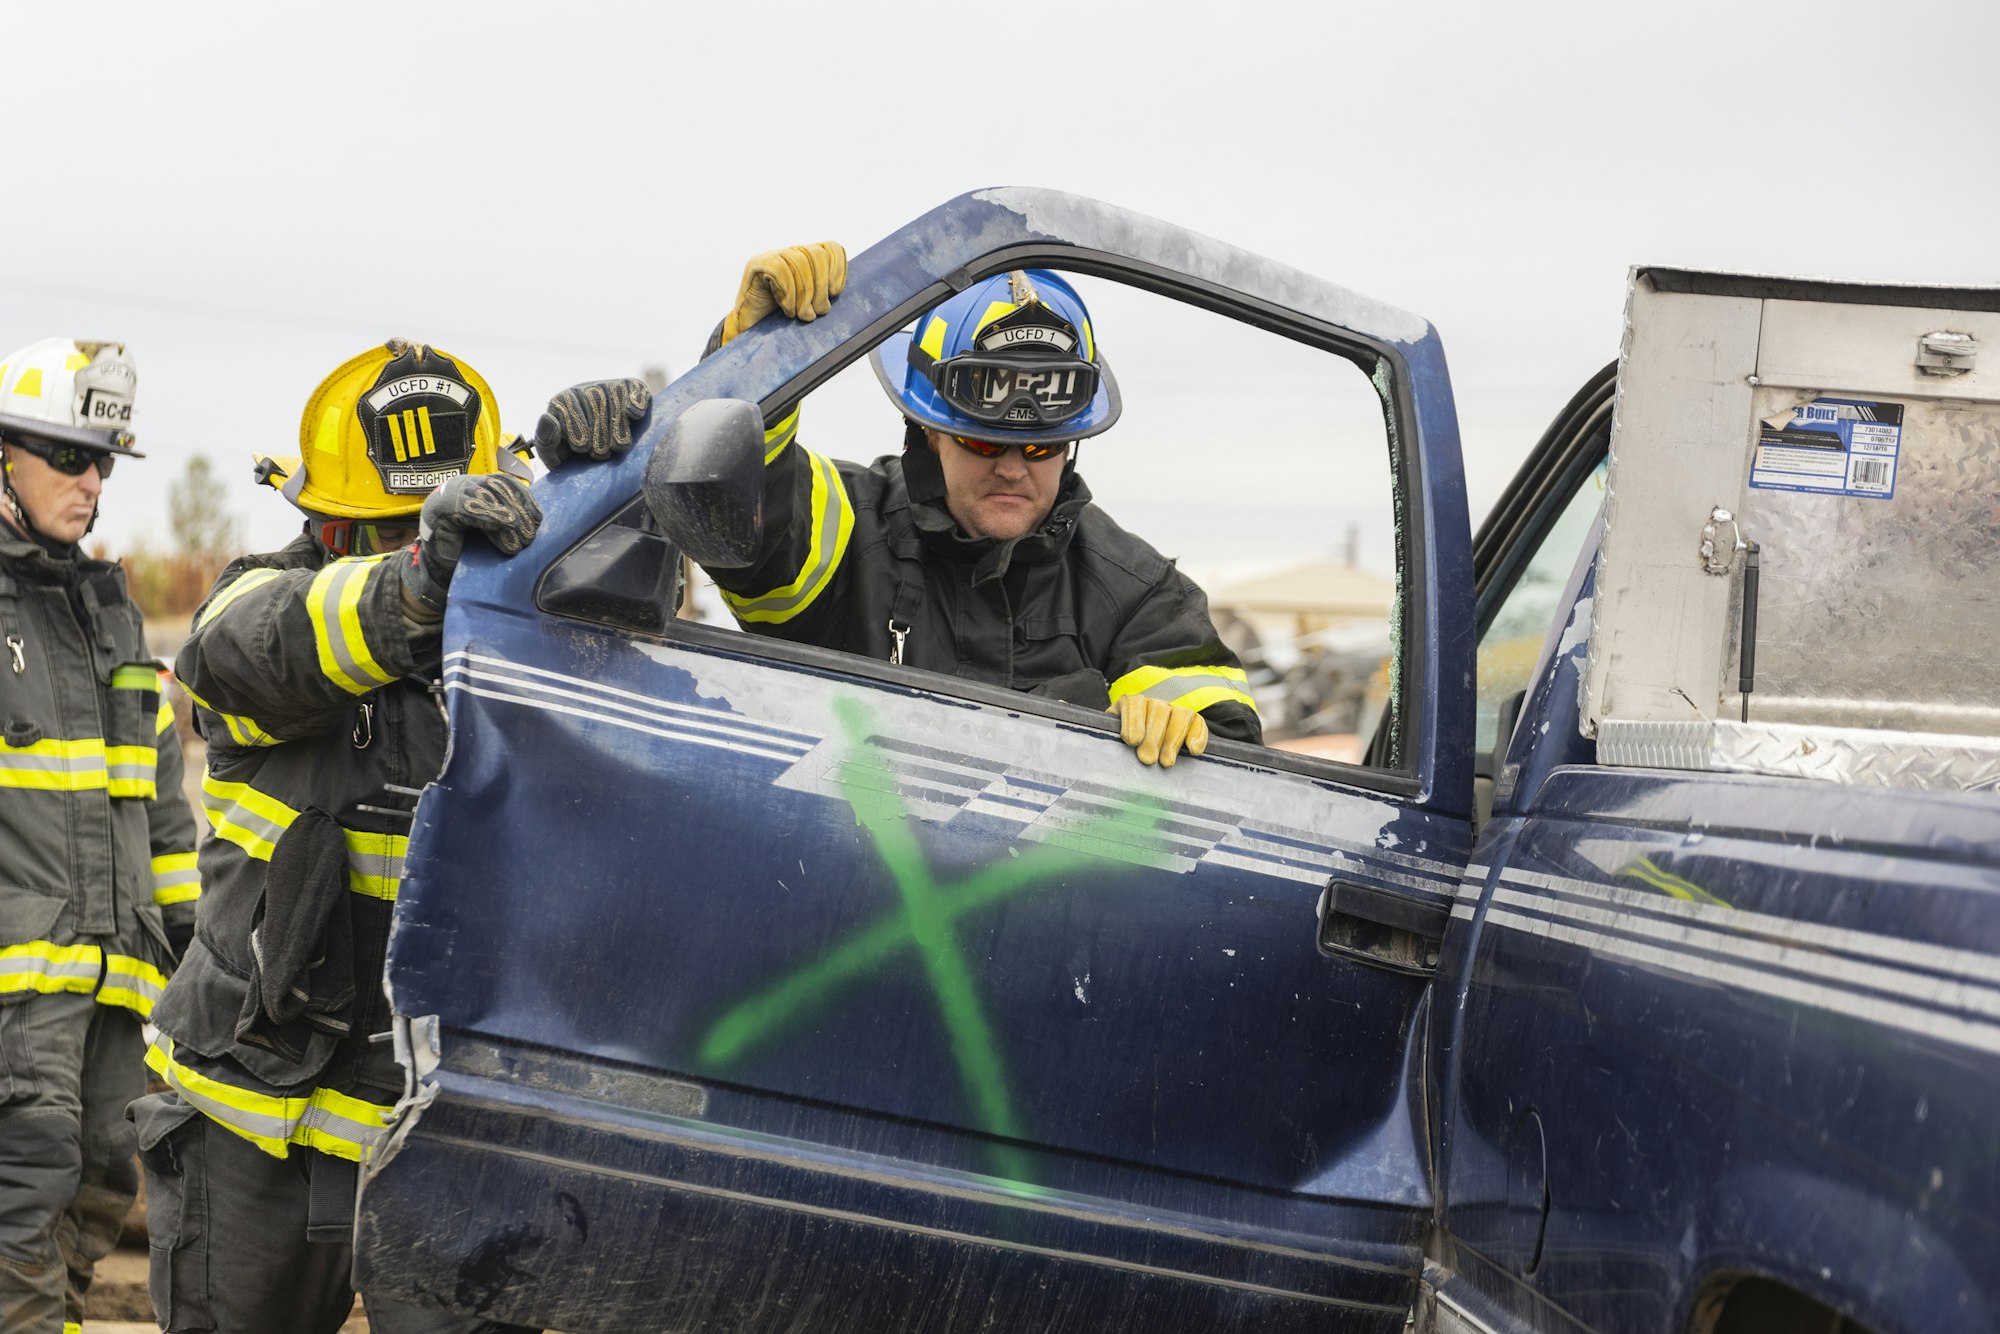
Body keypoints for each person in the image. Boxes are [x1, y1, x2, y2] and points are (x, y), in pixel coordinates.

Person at [131, 339, 547, 1334]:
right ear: (326, 523)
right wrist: (410, 582)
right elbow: (243, 654)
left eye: (439, 533)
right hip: (249, 1120)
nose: (427, 552)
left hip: (452, 1127)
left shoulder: (527, 648)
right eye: (393, 529)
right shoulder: (260, 604)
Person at [536, 249, 1261, 765]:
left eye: (1041, 450)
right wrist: (756, 356)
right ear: (928, 429)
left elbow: (1245, 775)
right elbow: (752, 510)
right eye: (984, 444)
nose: (1014, 467)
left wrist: (1191, 748)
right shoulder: (850, 529)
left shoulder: (1139, 593)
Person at [0, 338, 201, 1333]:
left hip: (117, 984)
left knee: (99, 1189)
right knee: (23, 1189)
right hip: (15, 988)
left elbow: (162, 809)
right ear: (4, 455)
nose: (91, 481)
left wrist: (194, 945)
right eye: (69, 457)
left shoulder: (112, 615)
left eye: (103, 461)